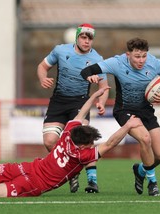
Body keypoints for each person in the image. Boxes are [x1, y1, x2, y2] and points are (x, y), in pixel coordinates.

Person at [0, 88, 143, 198]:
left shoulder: (68, 132)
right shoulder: (82, 155)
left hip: (28, 166)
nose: (93, 145)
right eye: (91, 143)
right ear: (83, 145)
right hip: (33, 183)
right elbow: (111, 143)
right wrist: (128, 126)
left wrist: (93, 97)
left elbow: (81, 114)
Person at [80, 37, 160, 196]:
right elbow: (86, 70)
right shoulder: (117, 63)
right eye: (137, 56)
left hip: (146, 111)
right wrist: (90, 77)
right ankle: (153, 183)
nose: (141, 60)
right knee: (145, 138)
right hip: (124, 110)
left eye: (143, 56)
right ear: (128, 54)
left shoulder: (153, 63)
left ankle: (140, 170)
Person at [37, 23, 109, 194]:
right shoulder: (60, 51)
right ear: (77, 37)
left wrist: (101, 102)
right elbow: (42, 66)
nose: (86, 41)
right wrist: (42, 78)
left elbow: (104, 86)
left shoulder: (97, 59)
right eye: (83, 37)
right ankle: (71, 172)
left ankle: (92, 180)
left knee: (85, 140)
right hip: (58, 102)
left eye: (90, 38)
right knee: (49, 142)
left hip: (80, 103)